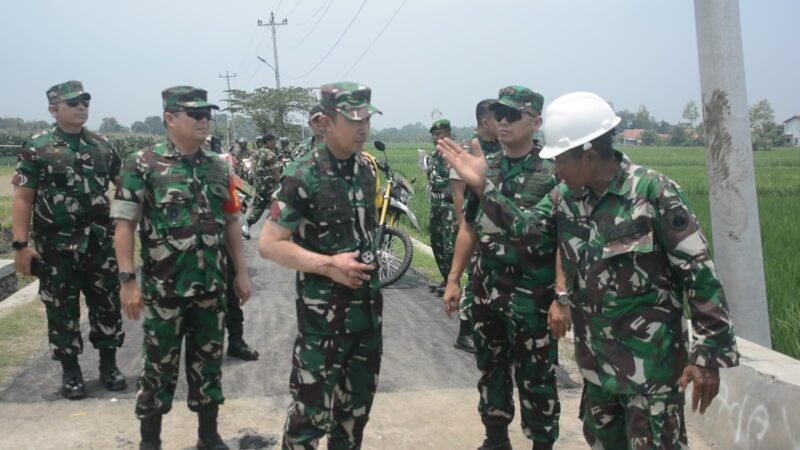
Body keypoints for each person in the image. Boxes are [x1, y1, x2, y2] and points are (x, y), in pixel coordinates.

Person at [439, 91, 740, 450]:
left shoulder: (653, 194)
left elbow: (701, 276)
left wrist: (708, 357)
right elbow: (527, 233)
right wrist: (482, 187)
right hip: (598, 371)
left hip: (651, 375)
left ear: (589, 155)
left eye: (561, 160)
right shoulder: (566, 199)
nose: (556, 170)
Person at [112, 86, 252, 450]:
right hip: (164, 291)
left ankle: (208, 435)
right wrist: (128, 281)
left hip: (211, 289)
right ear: (170, 119)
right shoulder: (142, 163)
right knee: (158, 368)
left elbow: (232, 222)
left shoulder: (218, 166)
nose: (205, 119)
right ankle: (150, 441)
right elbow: (124, 225)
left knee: (208, 365)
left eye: (208, 113)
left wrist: (240, 272)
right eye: (196, 114)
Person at [258, 81, 383, 449]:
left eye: (367, 120)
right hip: (322, 320)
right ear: (326, 121)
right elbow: (270, 244)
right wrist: (327, 264)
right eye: (352, 120)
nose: (362, 128)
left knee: (355, 413)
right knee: (309, 417)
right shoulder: (303, 174)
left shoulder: (365, 170)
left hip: (367, 315)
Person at [444, 86, 565, 450]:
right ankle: (495, 439)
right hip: (487, 289)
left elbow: (564, 239)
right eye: (500, 114)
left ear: (537, 122)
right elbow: (468, 226)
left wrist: (561, 297)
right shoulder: (485, 167)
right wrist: (454, 279)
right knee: (491, 370)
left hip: (534, 296)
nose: (503, 121)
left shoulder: (552, 171)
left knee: (536, 377)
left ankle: (542, 442)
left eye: (514, 115)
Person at [11, 80, 126, 400]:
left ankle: (109, 366)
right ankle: (71, 372)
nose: (81, 108)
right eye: (73, 103)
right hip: (56, 247)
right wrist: (21, 245)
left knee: (107, 305)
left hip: (100, 243)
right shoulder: (38, 146)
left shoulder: (103, 146)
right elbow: (23, 198)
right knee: (62, 308)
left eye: (85, 102)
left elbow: (125, 187)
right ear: (53, 109)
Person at [448, 99, 503, 353]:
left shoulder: (500, 148)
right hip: (475, 226)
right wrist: (463, 227)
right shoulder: (469, 149)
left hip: (495, 226)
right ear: (485, 122)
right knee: (473, 280)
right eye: (498, 118)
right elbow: (459, 194)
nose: (503, 123)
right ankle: (465, 331)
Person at [207, 136, 260, 361]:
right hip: (190, 247)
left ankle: (236, 340)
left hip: (221, 242)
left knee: (231, 294)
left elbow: (238, 183)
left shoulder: (221, 162)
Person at [426, 119, 458, 297]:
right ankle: (445, 279)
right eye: (434, 135)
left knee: (449, 246)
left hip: (449, 206)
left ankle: (453, 282)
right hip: (436, 205)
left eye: (440, 134)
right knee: (436, 242)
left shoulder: (455, 155)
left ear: (449, 134)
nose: (437, 137)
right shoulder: (433, 156)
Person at [243, 132, 283, 239]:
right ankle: (276, 233)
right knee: (278, 207)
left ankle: (245, 227)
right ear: (268, 142)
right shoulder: (271, 154)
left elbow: (253, 168)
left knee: (258, 207)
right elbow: (275, 171)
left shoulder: (257, 153)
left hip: (259, 186)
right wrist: (280, 183)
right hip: (270, 186)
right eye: (274, 141)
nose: (275, 143)